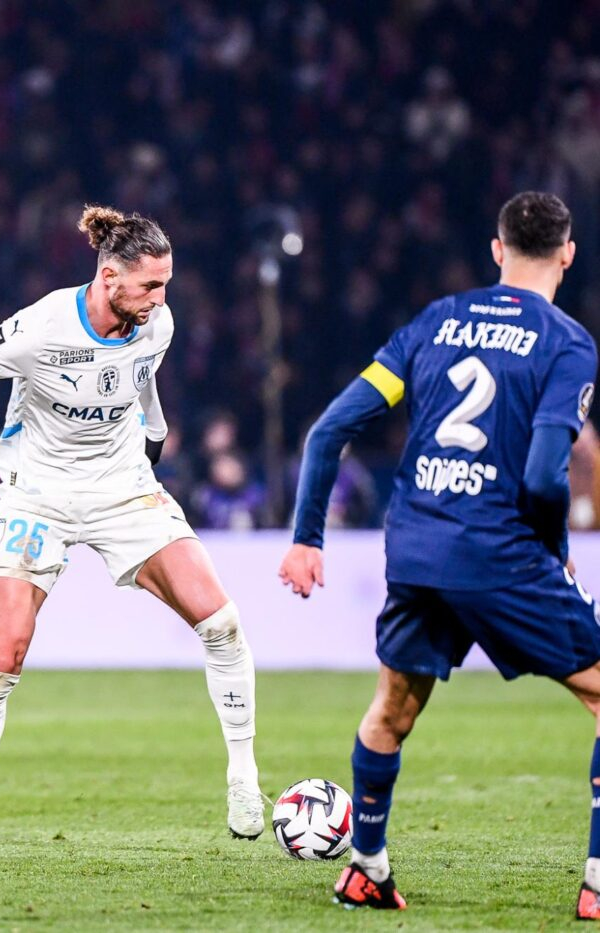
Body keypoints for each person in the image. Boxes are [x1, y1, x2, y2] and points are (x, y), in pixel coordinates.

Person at [0, 205, 265, 859]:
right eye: (151, 285)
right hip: (37, 497)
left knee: (222, 622)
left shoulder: (157, 321)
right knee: (4, 654)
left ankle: (243, 777)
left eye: (166, 284)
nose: (161, 298)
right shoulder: (40, 328)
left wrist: (154, 433)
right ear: (110, 277)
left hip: (122, 489)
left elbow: (144, 379)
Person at [280, 192, 600, 916]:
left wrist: (306, 538)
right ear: (567, 254)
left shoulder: (434, 323)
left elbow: (328, 431)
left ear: (497, 250)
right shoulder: (567, 342)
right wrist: (555, 550)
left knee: (391, 709)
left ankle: (366, 868)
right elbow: (544, 474)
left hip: (418, 549)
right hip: (501, 553)